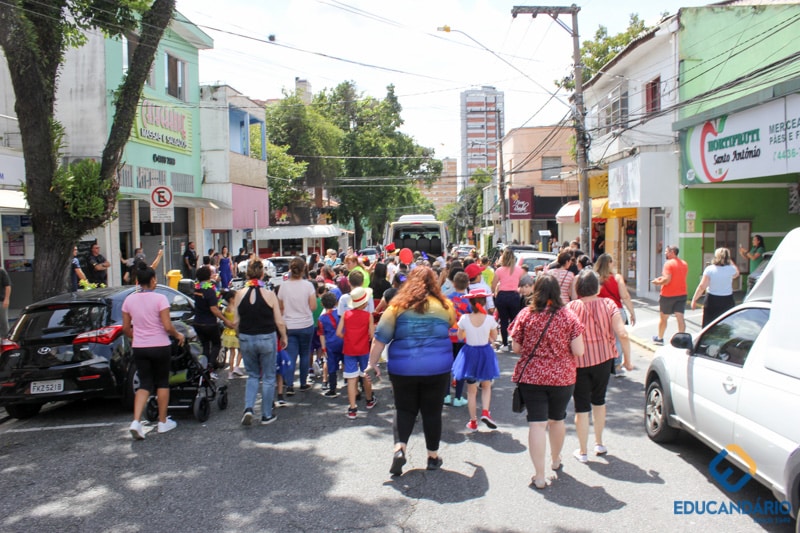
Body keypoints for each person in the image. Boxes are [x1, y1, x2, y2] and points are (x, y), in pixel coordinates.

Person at [366, 266, 456, 477]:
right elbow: (451, 324)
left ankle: (400, 448)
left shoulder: (396, 307)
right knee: (432, 412)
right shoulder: (445, 306)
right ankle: (433, 457)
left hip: (403, 368)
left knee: (404, 409)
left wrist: (372, 364)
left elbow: (380, 338)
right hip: (437, 367)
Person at [509, 275, 585, 489]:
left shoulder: (526, 315)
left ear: (537, 290)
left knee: (537, 423)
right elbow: (579, 350)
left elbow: (516, 348)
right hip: (562, 377)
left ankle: (540, 476)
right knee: (557, 419)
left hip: (532, 377)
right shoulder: (569, 317)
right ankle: (556, 459)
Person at [566, 270, 631, 463]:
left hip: (578, 362)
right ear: (597, 287)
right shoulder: (609, 304)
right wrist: (627, 359)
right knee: (599, 401)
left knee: (581, 407)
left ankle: (583, 451)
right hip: (604, 359)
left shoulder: (571, 308)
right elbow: (623, 334)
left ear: (578, 289)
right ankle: (599, 443)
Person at [122, 264, 185, 440]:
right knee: (162, 383)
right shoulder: (160, 299)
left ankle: (136, 422)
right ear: (152, 280)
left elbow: (126, 328)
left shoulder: (129, 300)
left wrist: (136, 337)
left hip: (140, 347)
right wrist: (178, 334)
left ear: (137, 281)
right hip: (160, 345)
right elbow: (167, 326)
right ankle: (163, 422)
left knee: (144, 384)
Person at [233, 260, 288, 426]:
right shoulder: (270, 295)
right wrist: (284, 337)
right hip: (266, 337)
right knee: (269, 377)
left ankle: (249, 408)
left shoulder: (239, 294)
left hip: (246, 337)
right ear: (263, 274)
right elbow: (279, 321)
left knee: (253, 375)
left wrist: (239, 335)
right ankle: (266, 414)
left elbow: (236, 322)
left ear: (247, 274)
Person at [453, 288, 500, 432]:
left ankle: (473, 421)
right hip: (485, 353)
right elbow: (494, 337)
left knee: (471, 391)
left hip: (469, 354)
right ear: (484, 302)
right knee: (486, 386)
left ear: (471, 303)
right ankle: (485, 412)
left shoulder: (464, 318)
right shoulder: (490, 319)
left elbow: (460, 337)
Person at [277, 256, 317, 395]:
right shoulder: (308, 285)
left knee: (291, 355)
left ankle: (289, 385)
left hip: (289, 325)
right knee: (305, 354)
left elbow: (280, 306)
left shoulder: (283, 286)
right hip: (306, 324)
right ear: (303, 269)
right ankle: (303, 383)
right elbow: (313, 306)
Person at [336, 286, 376, 419]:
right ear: (364, 303)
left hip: (349, 349)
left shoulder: (346, 315)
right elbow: (371, 334)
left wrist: (347, 338)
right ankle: (369, 400)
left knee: (351, 378)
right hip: (363, 349)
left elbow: (338, 332)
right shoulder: (368, 316)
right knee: (366, 375)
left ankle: (352, 408)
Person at [594, 253, 636, 376]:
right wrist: (632, 312)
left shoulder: (595, 278)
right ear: (609, 263)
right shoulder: (617, 278)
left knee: (601, 338)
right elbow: (625, 296)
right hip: (616, 310)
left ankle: (602, 363)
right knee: (617, 338)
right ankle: (617, 365)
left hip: (599, 311)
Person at [193, 266, 235, 374]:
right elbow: (214, 309)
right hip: (209, 323)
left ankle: (204, 368)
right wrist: (225, 320)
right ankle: (210, 367)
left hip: (197, 322)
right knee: (216, 344)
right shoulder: (210, 290)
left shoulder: (197, 288)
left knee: (205, 346)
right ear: (208, 276)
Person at [691, 247, 740, 327]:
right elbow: (737, 274)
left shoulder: (710, 269)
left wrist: (694, 299)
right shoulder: (731, 269)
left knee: (709, 324)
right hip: (727, 299)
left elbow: (702, 287)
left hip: (712, 299)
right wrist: (731, 262)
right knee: (726, 325)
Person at [651, 245, 688, 345]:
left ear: (672, 252)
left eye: (666, 251)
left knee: (664, 318)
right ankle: (682, 339)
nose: (665, 253)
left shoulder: (668, 264)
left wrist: (657, 282)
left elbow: (667, 280)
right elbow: (676, 277)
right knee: (680, 317)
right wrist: (662, 279)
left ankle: (660, 338)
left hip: (668, 295)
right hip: (682, 293)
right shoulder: (684, 264)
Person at [444, 271, 471, 407]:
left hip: (448, 336)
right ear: (468, 284)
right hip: (463, 338)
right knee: (461, 367)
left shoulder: (447, 300)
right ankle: (458, 397)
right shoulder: (470, 301)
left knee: (447, 366)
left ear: (453, 284)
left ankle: (446, 395)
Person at [491, 248, 523, 352]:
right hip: (514, 296)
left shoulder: (499, 270)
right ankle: (515, 343)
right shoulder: (519, 270)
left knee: (503, 321)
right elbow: (524, 282)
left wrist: (495, 294)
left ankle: (504, 344)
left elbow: (493, 284)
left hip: (502, 296)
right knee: (515, 321)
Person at [317, 291, 344, 397]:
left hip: (331, 344)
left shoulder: (322, 319)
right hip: (343, 341)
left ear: (322, 304)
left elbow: (321, 334)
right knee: (348, 362)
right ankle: (355, 384)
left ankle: (332, 388)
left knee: (332, 365)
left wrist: (323, 348)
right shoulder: (340, 314)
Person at [220, 290, 243, 377]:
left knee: (232, 353)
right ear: (231, 299)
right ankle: (237, 366)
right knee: (241, 350)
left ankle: (230, 372)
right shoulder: (236, 309)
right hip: (235, 332)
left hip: (227, 333)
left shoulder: (225, 309)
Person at [0, 266, 10, 336]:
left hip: (1, 301)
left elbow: (8, 286)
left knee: (3, 322)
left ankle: (5, 338)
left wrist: (6, 299)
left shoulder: (2, 272)